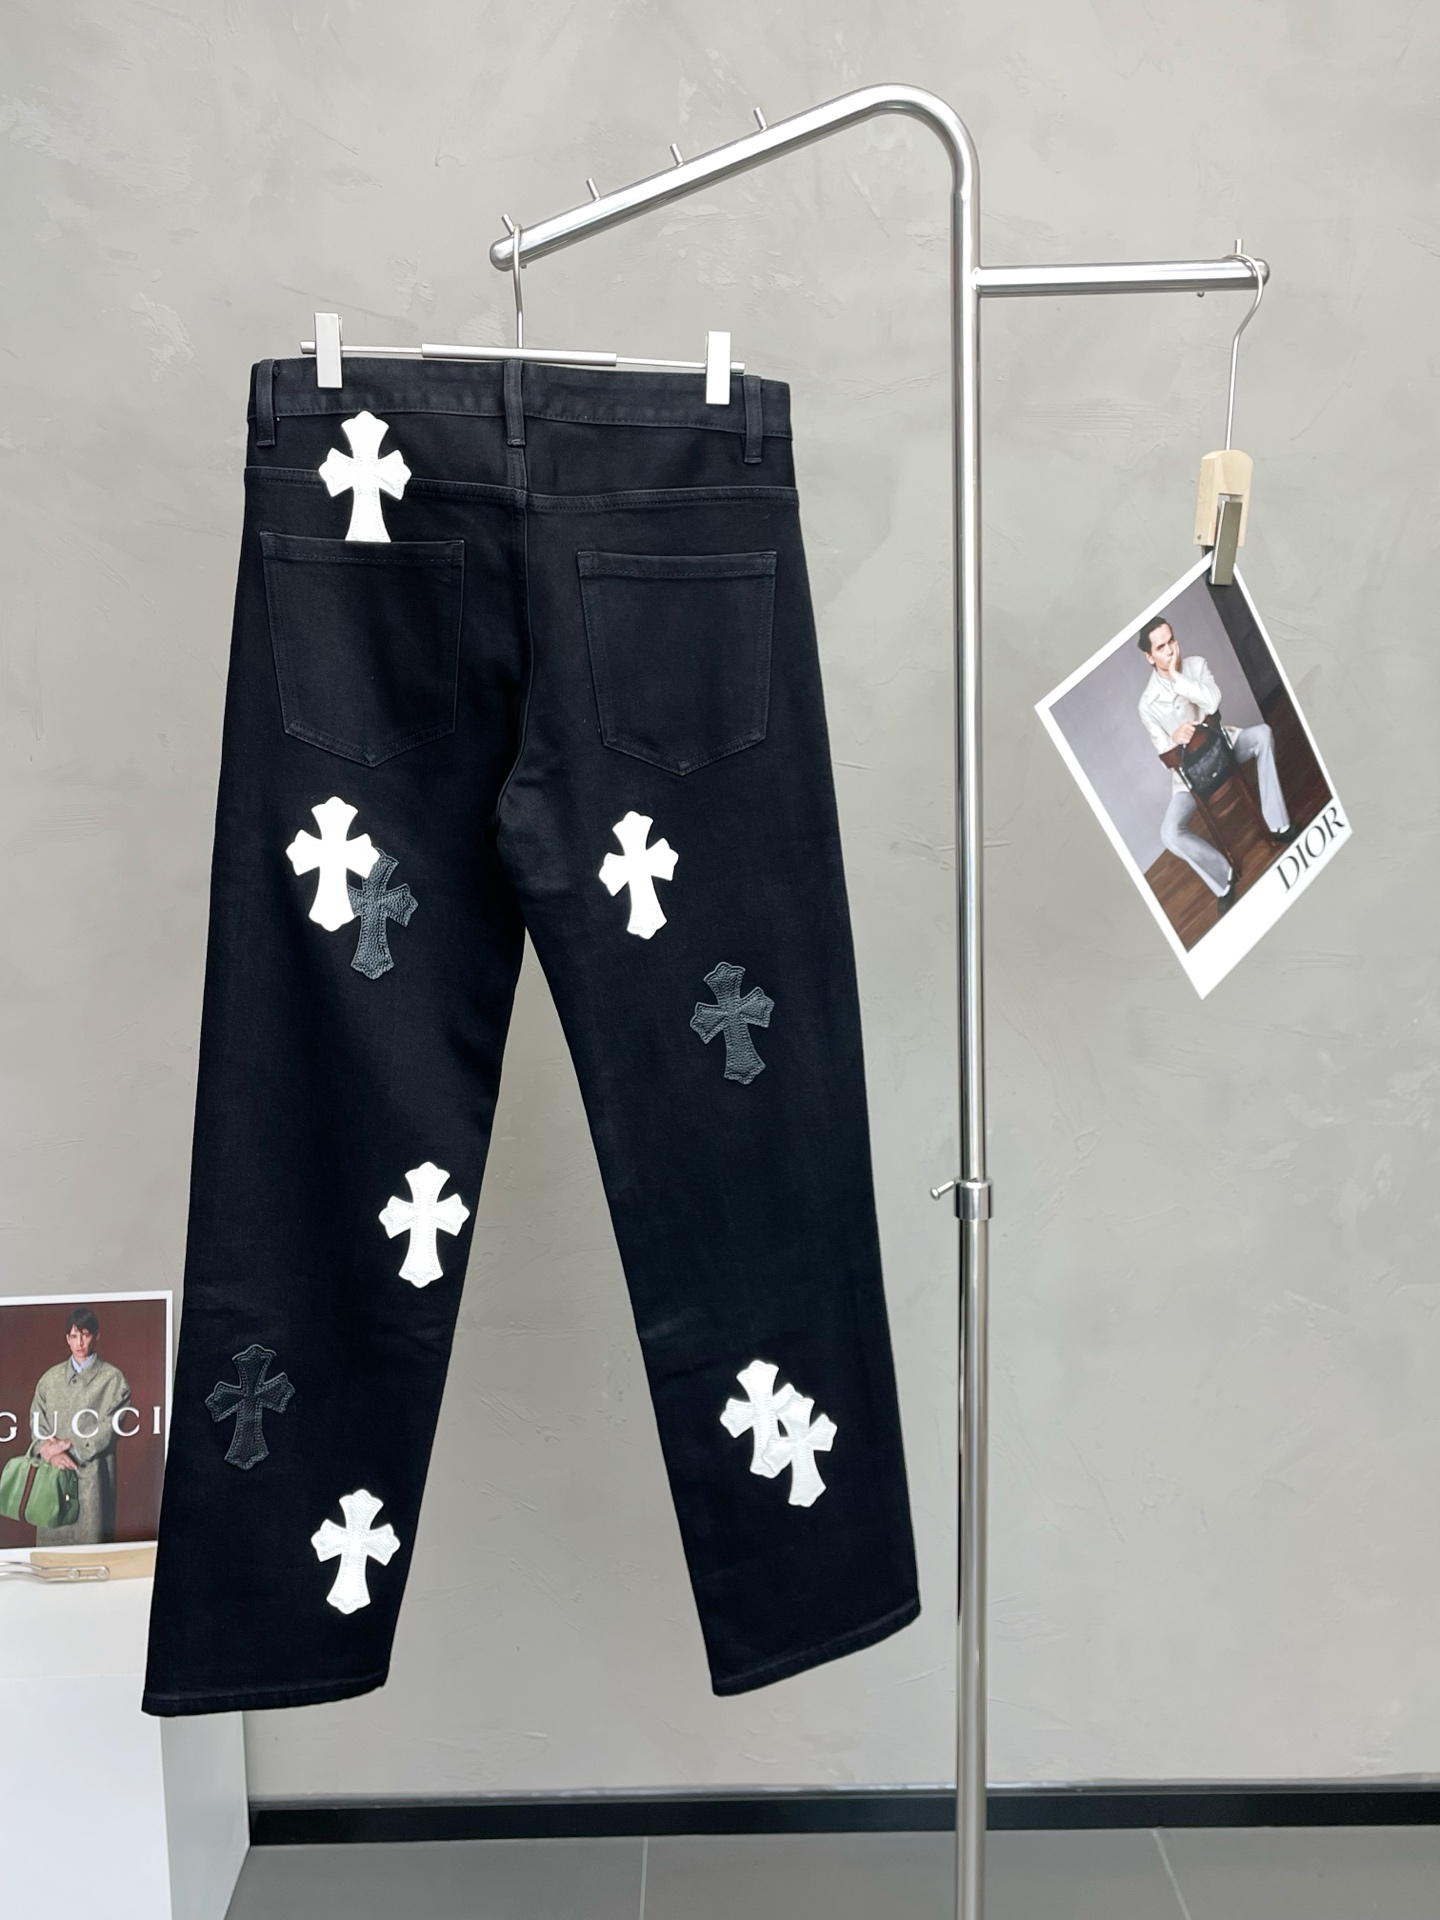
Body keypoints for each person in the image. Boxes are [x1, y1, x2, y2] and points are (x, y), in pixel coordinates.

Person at [1137, 615, 1293, 915]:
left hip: (1225, 750)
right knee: (1169, 833)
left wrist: (1177, 677)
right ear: (1149, 656)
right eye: (1161, 647)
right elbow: (1164, 756)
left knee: (1262, 734)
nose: (1170, 650)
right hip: (1190, 778)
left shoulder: (1196, 665)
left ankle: (1279, 824)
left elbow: (1212, 702)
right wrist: (1174, 738)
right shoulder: (1147, 704)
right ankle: (1224, 877)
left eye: (1171, 641)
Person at [29, 1307, 131, 1546]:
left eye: (85, 1334)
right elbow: (37, 1421)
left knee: (90, 1549)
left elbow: (111, 1427)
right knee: (51, 1554)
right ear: (67, 1338)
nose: (80, 1342)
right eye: (74, 1336)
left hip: (92, 1478)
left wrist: (73, 1450)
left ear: (96, 1335)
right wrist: (51, 1453)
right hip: (52, 1478)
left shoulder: (113, 1379)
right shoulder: (49, 1379)